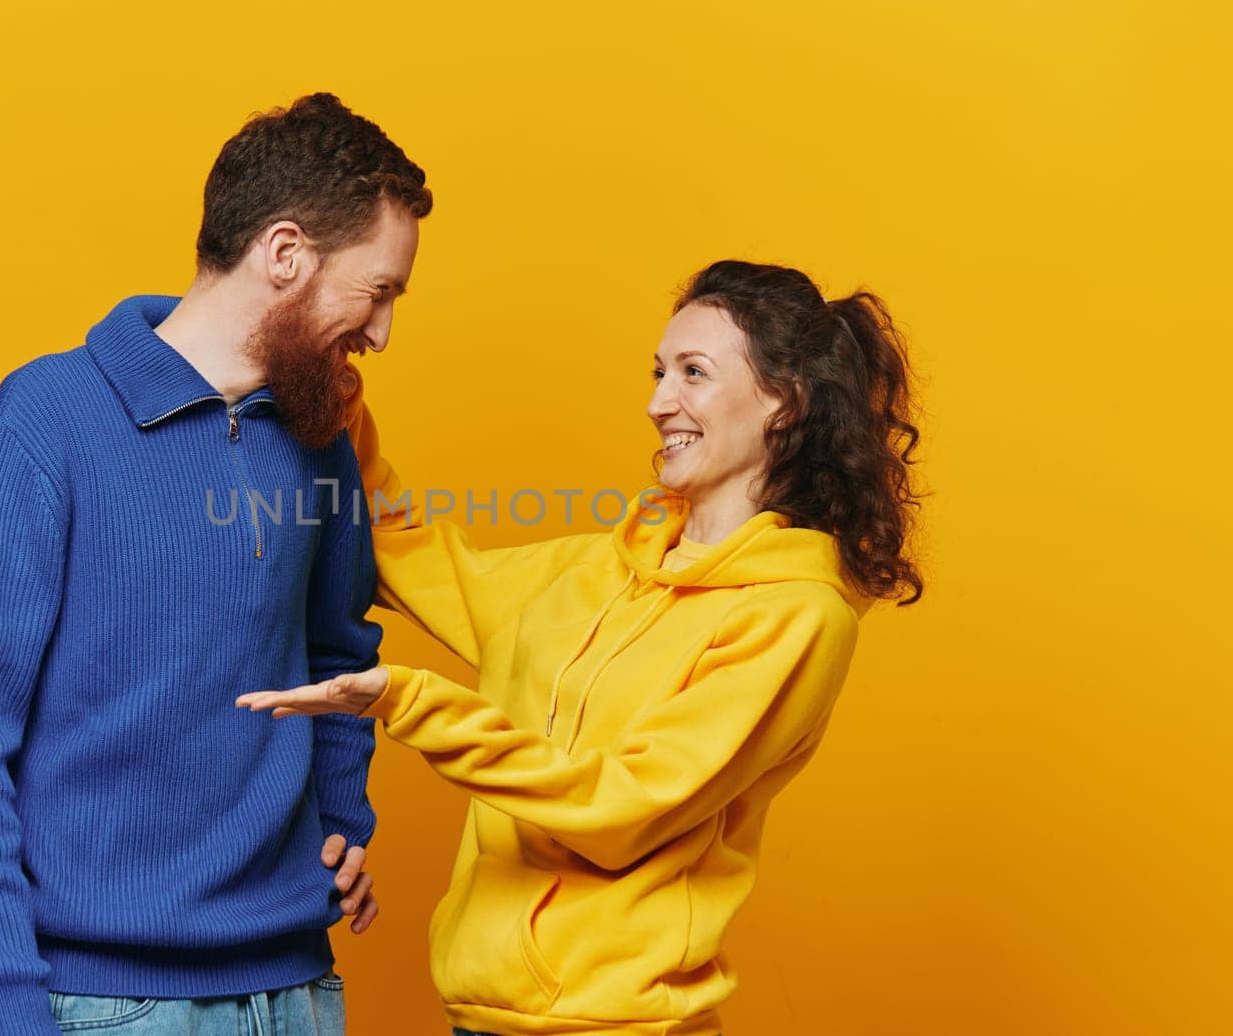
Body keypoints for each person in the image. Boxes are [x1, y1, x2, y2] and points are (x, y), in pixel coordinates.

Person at [240, 260, 923, 1036]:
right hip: (484, 1017)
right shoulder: (599, 569)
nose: (659, 402)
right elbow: (401, 547)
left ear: (786, 402)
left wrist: (410, 700)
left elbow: (621, 809)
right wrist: (338, 398)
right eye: (660, 372)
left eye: (694, 373)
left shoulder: (798, 616)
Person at [0, 92, 431, 1036]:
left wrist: (342, 816)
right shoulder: (47, 420)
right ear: (285, 254)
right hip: (107, 1005)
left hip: (300, 993)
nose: (383, 333)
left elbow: (336, 647)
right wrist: (13, 1006)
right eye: (379, 289)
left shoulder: (323, 435)